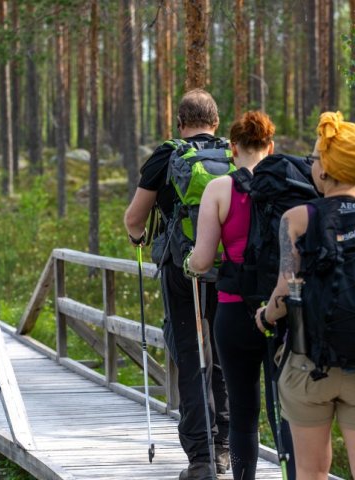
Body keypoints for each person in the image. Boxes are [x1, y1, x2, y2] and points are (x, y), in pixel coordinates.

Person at [255, 111, 355, 480]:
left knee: (310, 472)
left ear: (324, 170)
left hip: (310, 365)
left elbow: (284, 293)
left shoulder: (296, 219)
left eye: (313, 160)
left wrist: (264, 316)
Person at [124, 89, 229, 480]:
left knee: (190, 355)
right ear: (215, 123)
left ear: (180, 123)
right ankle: (223, 450)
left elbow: (135, 219)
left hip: (181, 269)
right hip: (227, 268)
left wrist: (139, 239)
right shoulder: (231, 155)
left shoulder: (166, 156)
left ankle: (200, 459)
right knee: (221, 355)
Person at [186, 111, 295, 479]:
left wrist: (188, 262)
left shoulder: (218, 189)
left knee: (244, 413)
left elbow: (201, 262)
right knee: (291, 410)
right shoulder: (288, 190)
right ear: (271, 146)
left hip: (234, 313)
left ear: (232, 148)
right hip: (283, 311)